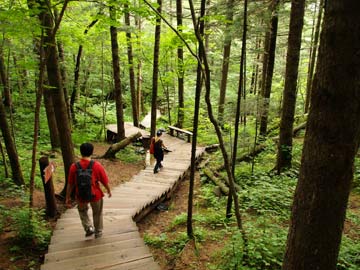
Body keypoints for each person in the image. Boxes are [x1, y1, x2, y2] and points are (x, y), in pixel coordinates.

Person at [65, 142, 112, 238]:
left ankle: (88, 227)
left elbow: (70, 184)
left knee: (82, 211)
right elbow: (104, 180)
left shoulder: (74, 166)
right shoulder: (97, 165)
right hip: (96, 194)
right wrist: (108, 190)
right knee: (97, 213)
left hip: (80, 194)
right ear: (92, 152)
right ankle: (98, 232)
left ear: (81, 152)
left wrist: (68, 197)